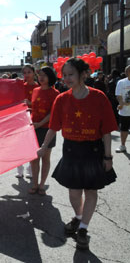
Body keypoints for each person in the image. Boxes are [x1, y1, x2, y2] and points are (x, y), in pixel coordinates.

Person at [37, 58, 117, 250]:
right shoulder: (62, 99)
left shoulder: (99, 97)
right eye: (64, 75)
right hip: (71, 150)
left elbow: (106, 130)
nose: (66, 78)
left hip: (93, 151)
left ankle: (83, 228)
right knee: (74, 193)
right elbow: (53, 127)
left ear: (83, 74)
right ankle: (79, 217)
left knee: (90, 191)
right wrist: (43, 146)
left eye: (71, 74)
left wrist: (108, 157)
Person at [28, 67, 59, 195]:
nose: (41, 77)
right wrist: (28, 104)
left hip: (47, 129)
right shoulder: (35, 90)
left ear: (50, 77)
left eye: (44, 75)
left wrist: (40, 124)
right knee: (33, 158)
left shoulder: (55, 93)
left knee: (45, 158)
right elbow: (35, 107)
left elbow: (53, 112)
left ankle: (42, 185)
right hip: (33, 128)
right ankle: (34, 184)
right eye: (39, 75)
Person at [16, 64, 38, 178]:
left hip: (34, 120)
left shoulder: (39, 87)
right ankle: (19, 169)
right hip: (20, 119)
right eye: (24, 73)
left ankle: (30, 168)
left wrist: (30, 104)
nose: (26, 75)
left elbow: (42, 105)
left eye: (29, 72)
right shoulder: (20, 86)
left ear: (34, 73)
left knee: (32, 145)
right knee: (19, 145)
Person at [115, 65, 130, 153]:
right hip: (124, 111)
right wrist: (121, 103)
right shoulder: (121, 82)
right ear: (127, 73)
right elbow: (118, 95)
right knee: (124, 129)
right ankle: (123, 145)